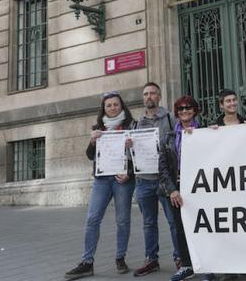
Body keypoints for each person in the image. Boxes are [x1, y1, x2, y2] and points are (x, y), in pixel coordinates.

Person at [65, 91, 137, 280]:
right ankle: (87, 262)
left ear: (122, 106)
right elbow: (90, 155)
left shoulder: (131, 125)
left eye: (116, 104)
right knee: (92, 219)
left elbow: (141, 156)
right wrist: (92, 141)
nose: (113, 108)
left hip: (123, 180)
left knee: (122, 221)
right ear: (104, 109)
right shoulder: (98, 128)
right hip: (102, 180)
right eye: (109, 105)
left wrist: (132, 150)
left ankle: (120, 258)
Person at [133, 82, 181, 277]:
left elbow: (180, 141)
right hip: (143, 180)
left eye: (153, 93)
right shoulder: (137, 123)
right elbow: (131, 155)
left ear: (159, 97)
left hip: (165, 180)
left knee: (173, 222)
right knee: (148, 222)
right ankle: (151, 258)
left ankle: (180, 258)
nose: (149, 97)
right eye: (146, 94)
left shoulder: (170, 118)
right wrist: (129, 146)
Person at [159, 95, 205, 281]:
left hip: (201, 185)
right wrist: (172, 190)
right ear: (177, 113)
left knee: (203, 225)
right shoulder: (168, 138)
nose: (184, 111)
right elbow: (162, 167)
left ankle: (205, 264)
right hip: (178, 186)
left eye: (188, 108)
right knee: (180, 227)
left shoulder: (205, 132)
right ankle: (187, 264)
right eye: (180, 109)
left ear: (194, 110)